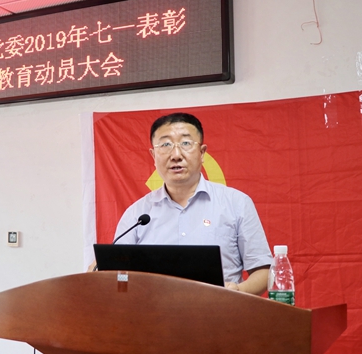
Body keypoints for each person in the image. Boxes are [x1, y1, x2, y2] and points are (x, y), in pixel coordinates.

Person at [91, 112, 272, 295]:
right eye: (165, 145)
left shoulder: (236, 203)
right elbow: (118, 274)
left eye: (186, 143)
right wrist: (103, 270)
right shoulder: (137, 214)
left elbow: (263, 271)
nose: (176, 155)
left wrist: (236, 291)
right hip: (153, 311)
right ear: (153, 155)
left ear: (202, 153)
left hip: (219, 309)